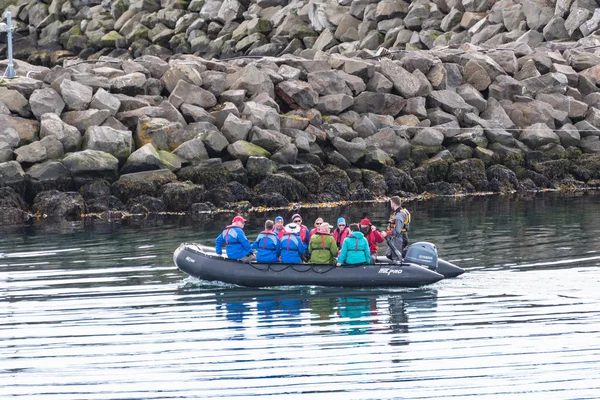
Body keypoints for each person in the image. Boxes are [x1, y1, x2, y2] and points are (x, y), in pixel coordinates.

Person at [384, 196, 411, 261]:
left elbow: (398, 230)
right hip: (398, 237)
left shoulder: (399, 216)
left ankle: (401, 261)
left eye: (391, 203)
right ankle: (404, 256)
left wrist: (387, 233)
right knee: (389, 254)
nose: (390, 205)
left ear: (393, 203)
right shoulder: (401, 212)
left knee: (396, 258)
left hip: (398, 238)